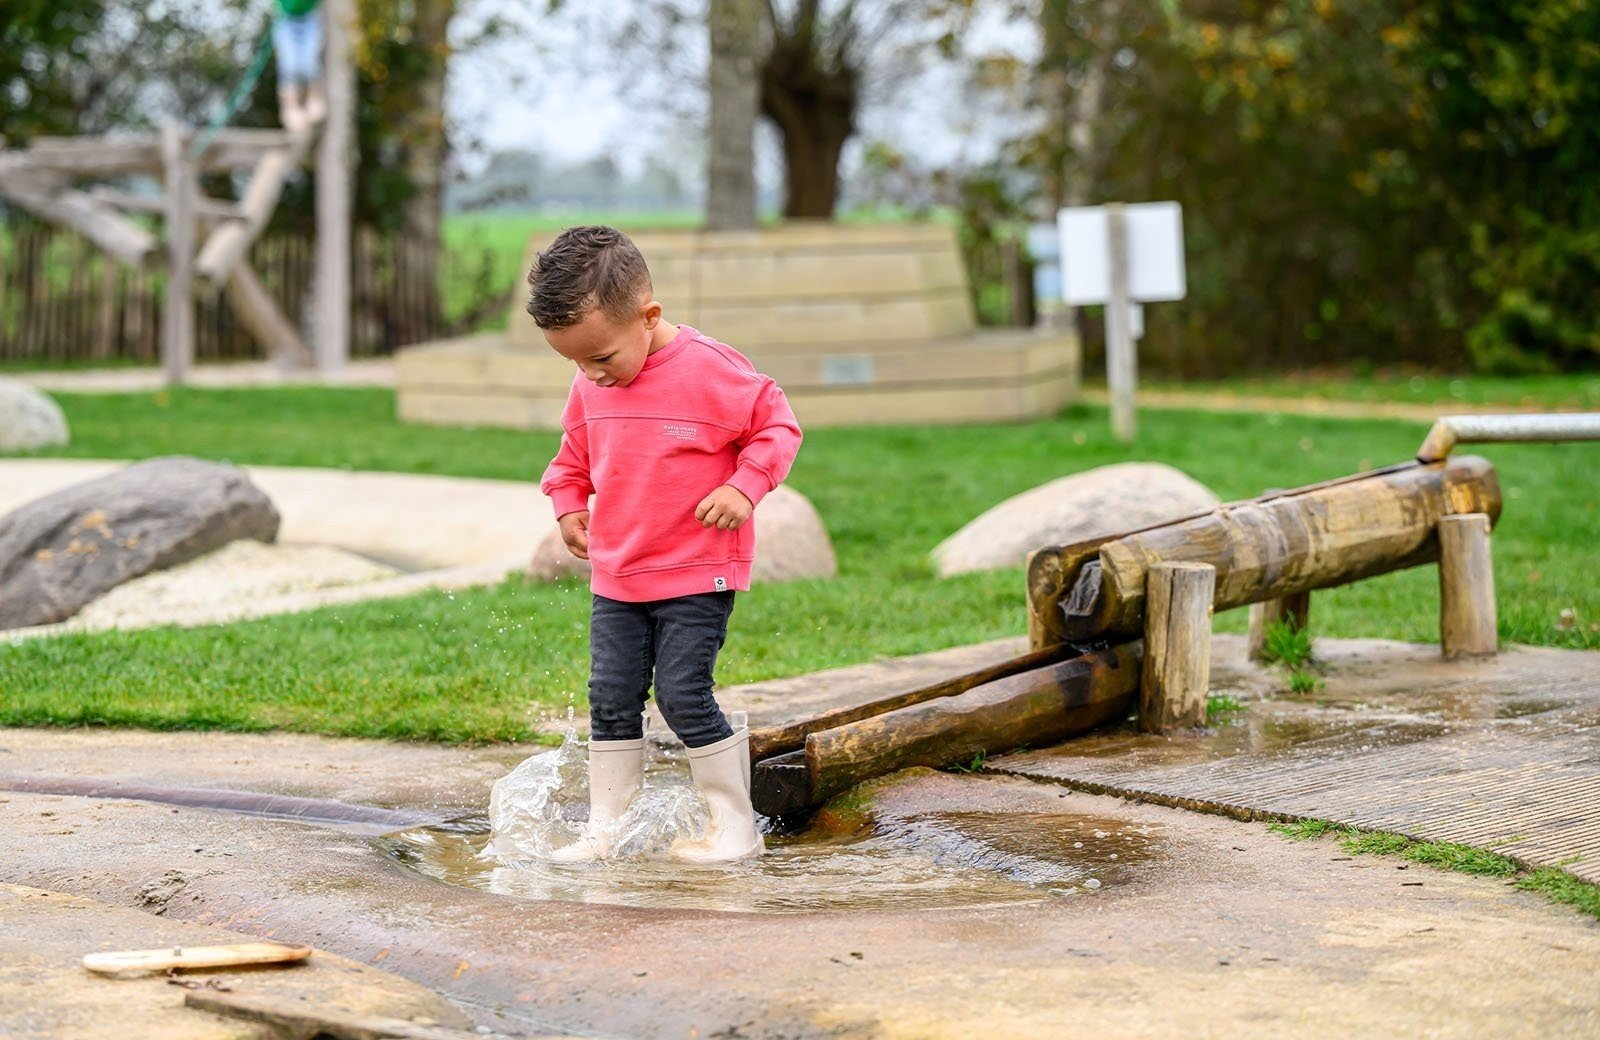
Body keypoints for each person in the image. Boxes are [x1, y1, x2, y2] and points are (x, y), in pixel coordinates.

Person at [530, 226, 803, 864]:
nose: (590, 375)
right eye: (573, 362)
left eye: (601, 357)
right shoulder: (590, 385)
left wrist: (745, 487)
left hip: (696, 569)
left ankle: (734, 827)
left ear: (649, 316)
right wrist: (568, 506)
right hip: (619, 575)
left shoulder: (711, 369)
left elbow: (777, 426)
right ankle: (606, 829)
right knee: (610, 693)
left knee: (682, 692)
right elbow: (573, 458)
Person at [274, 0, 327, 134]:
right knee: (290, 66)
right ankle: (290, 109)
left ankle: (314, 100)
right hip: (285, 20)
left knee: (310, 63)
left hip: (310, 18)